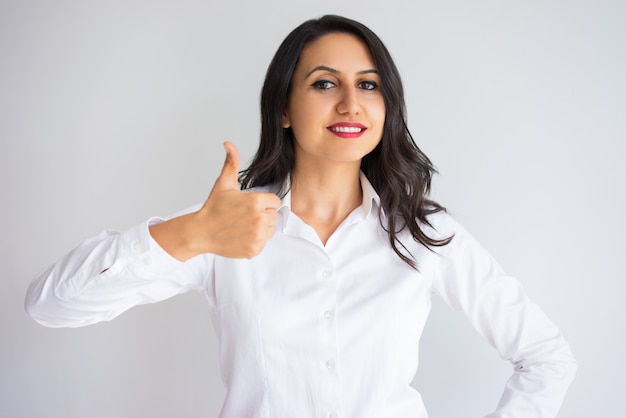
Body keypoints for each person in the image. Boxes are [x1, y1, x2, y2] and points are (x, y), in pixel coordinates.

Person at [25, 15, 577, 418]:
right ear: (284, 108)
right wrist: (189, 234)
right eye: (323, 83)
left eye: (368, 85)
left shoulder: (425, 233)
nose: (350, 104)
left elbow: (546, 357)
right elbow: (50, 306)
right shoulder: (225, 226)